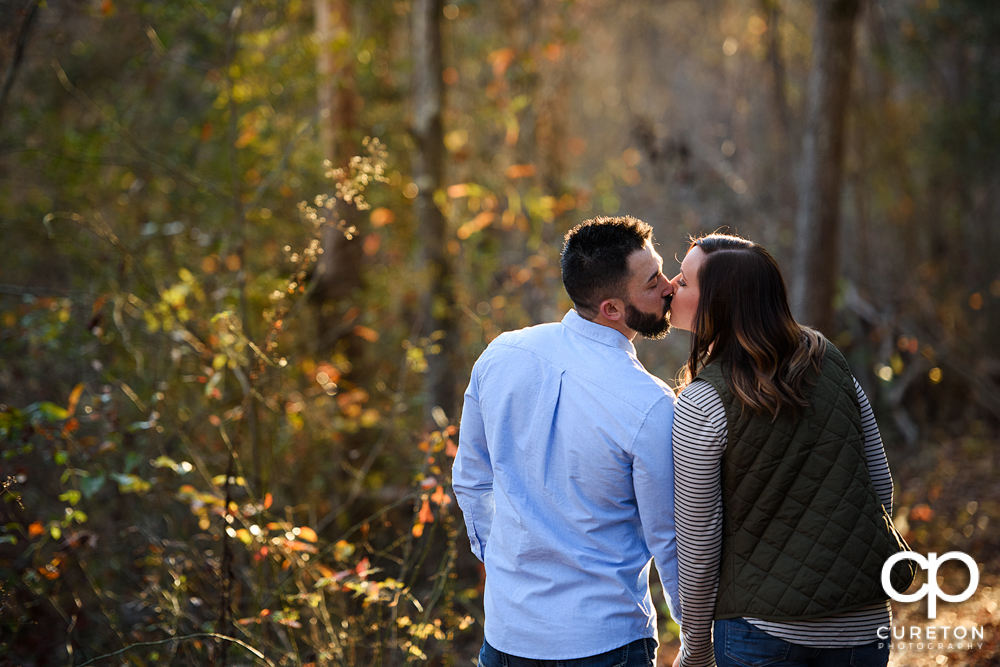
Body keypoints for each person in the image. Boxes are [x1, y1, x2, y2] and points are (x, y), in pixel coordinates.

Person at [667, 233, 912, 667]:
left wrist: (696, 651)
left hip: (758, 633)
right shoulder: (829, 361)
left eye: (684, 282)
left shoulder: (702, 403)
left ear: (720, 304)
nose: (670, 286)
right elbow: (881, 489)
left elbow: (699, 546)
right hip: (862, 626)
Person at [453, 215, 681, 667]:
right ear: (612, 309)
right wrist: (698, 639)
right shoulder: (650, 404)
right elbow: (669, 539)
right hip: (605, 644)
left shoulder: (501, 354)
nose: (671, 286)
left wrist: (504, 563)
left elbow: (470, 481)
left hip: (507, 635)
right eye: (653, 281)